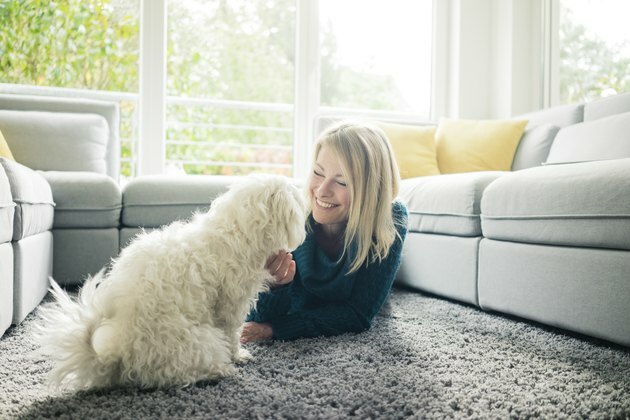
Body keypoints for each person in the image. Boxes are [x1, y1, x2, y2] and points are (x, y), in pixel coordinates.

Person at [240, 120, 408, 342]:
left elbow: (358, 314)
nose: (322, 190)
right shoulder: (291, 214)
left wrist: (275, 330)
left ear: (371, 191)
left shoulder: (390, 218)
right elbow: (257, 316)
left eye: (342, 182)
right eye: (318, 172)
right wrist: (276, 286)